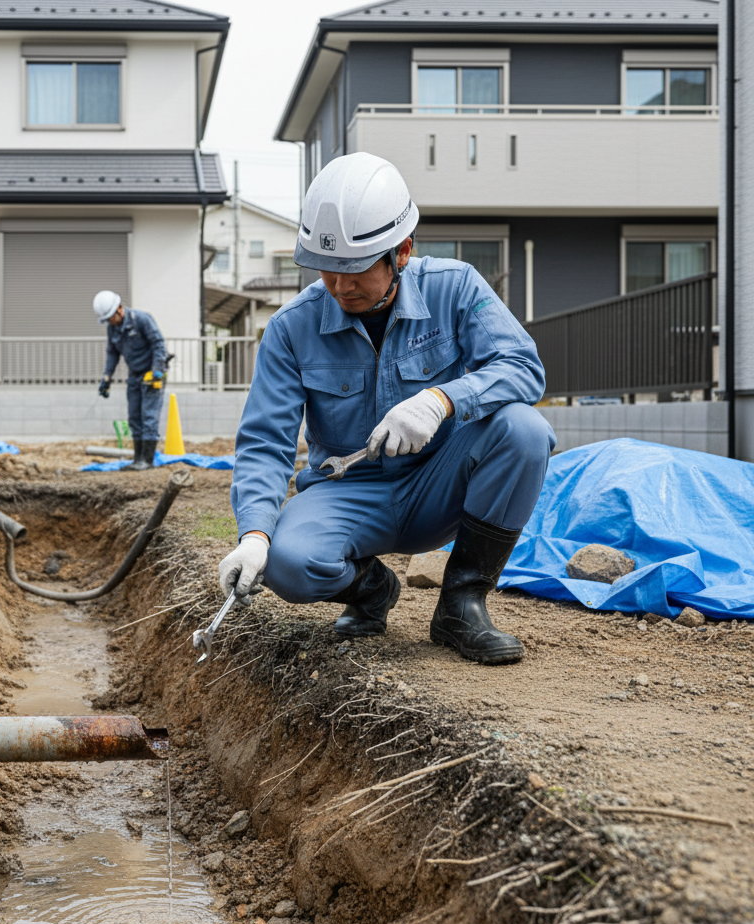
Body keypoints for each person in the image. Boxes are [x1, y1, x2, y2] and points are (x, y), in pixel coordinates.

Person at [217, 153, 555, 665]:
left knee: (524, 429)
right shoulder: (291, 328)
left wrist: (442, 399)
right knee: (287, 564)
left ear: (403, 250)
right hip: (350, 491)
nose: (339, 286)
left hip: (439, 485)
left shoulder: (455, 288)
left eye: (355, 270)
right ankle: (372, 590)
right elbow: (266, 442)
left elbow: (524, 368)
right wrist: (256, 533)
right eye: (327, 270)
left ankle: (462, 603)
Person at [94, 291, 167, 471]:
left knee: (148, 416)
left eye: (111, 317)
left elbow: (158, 343)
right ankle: (138, 459)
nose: (110, 322)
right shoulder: (112, 329)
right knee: (134, 416)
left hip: (151, 374)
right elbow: (112, 353)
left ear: (119, 309)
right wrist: (107, 378)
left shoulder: (141, 319)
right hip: (134, 375)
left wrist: (158, 370)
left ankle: (147, 460)